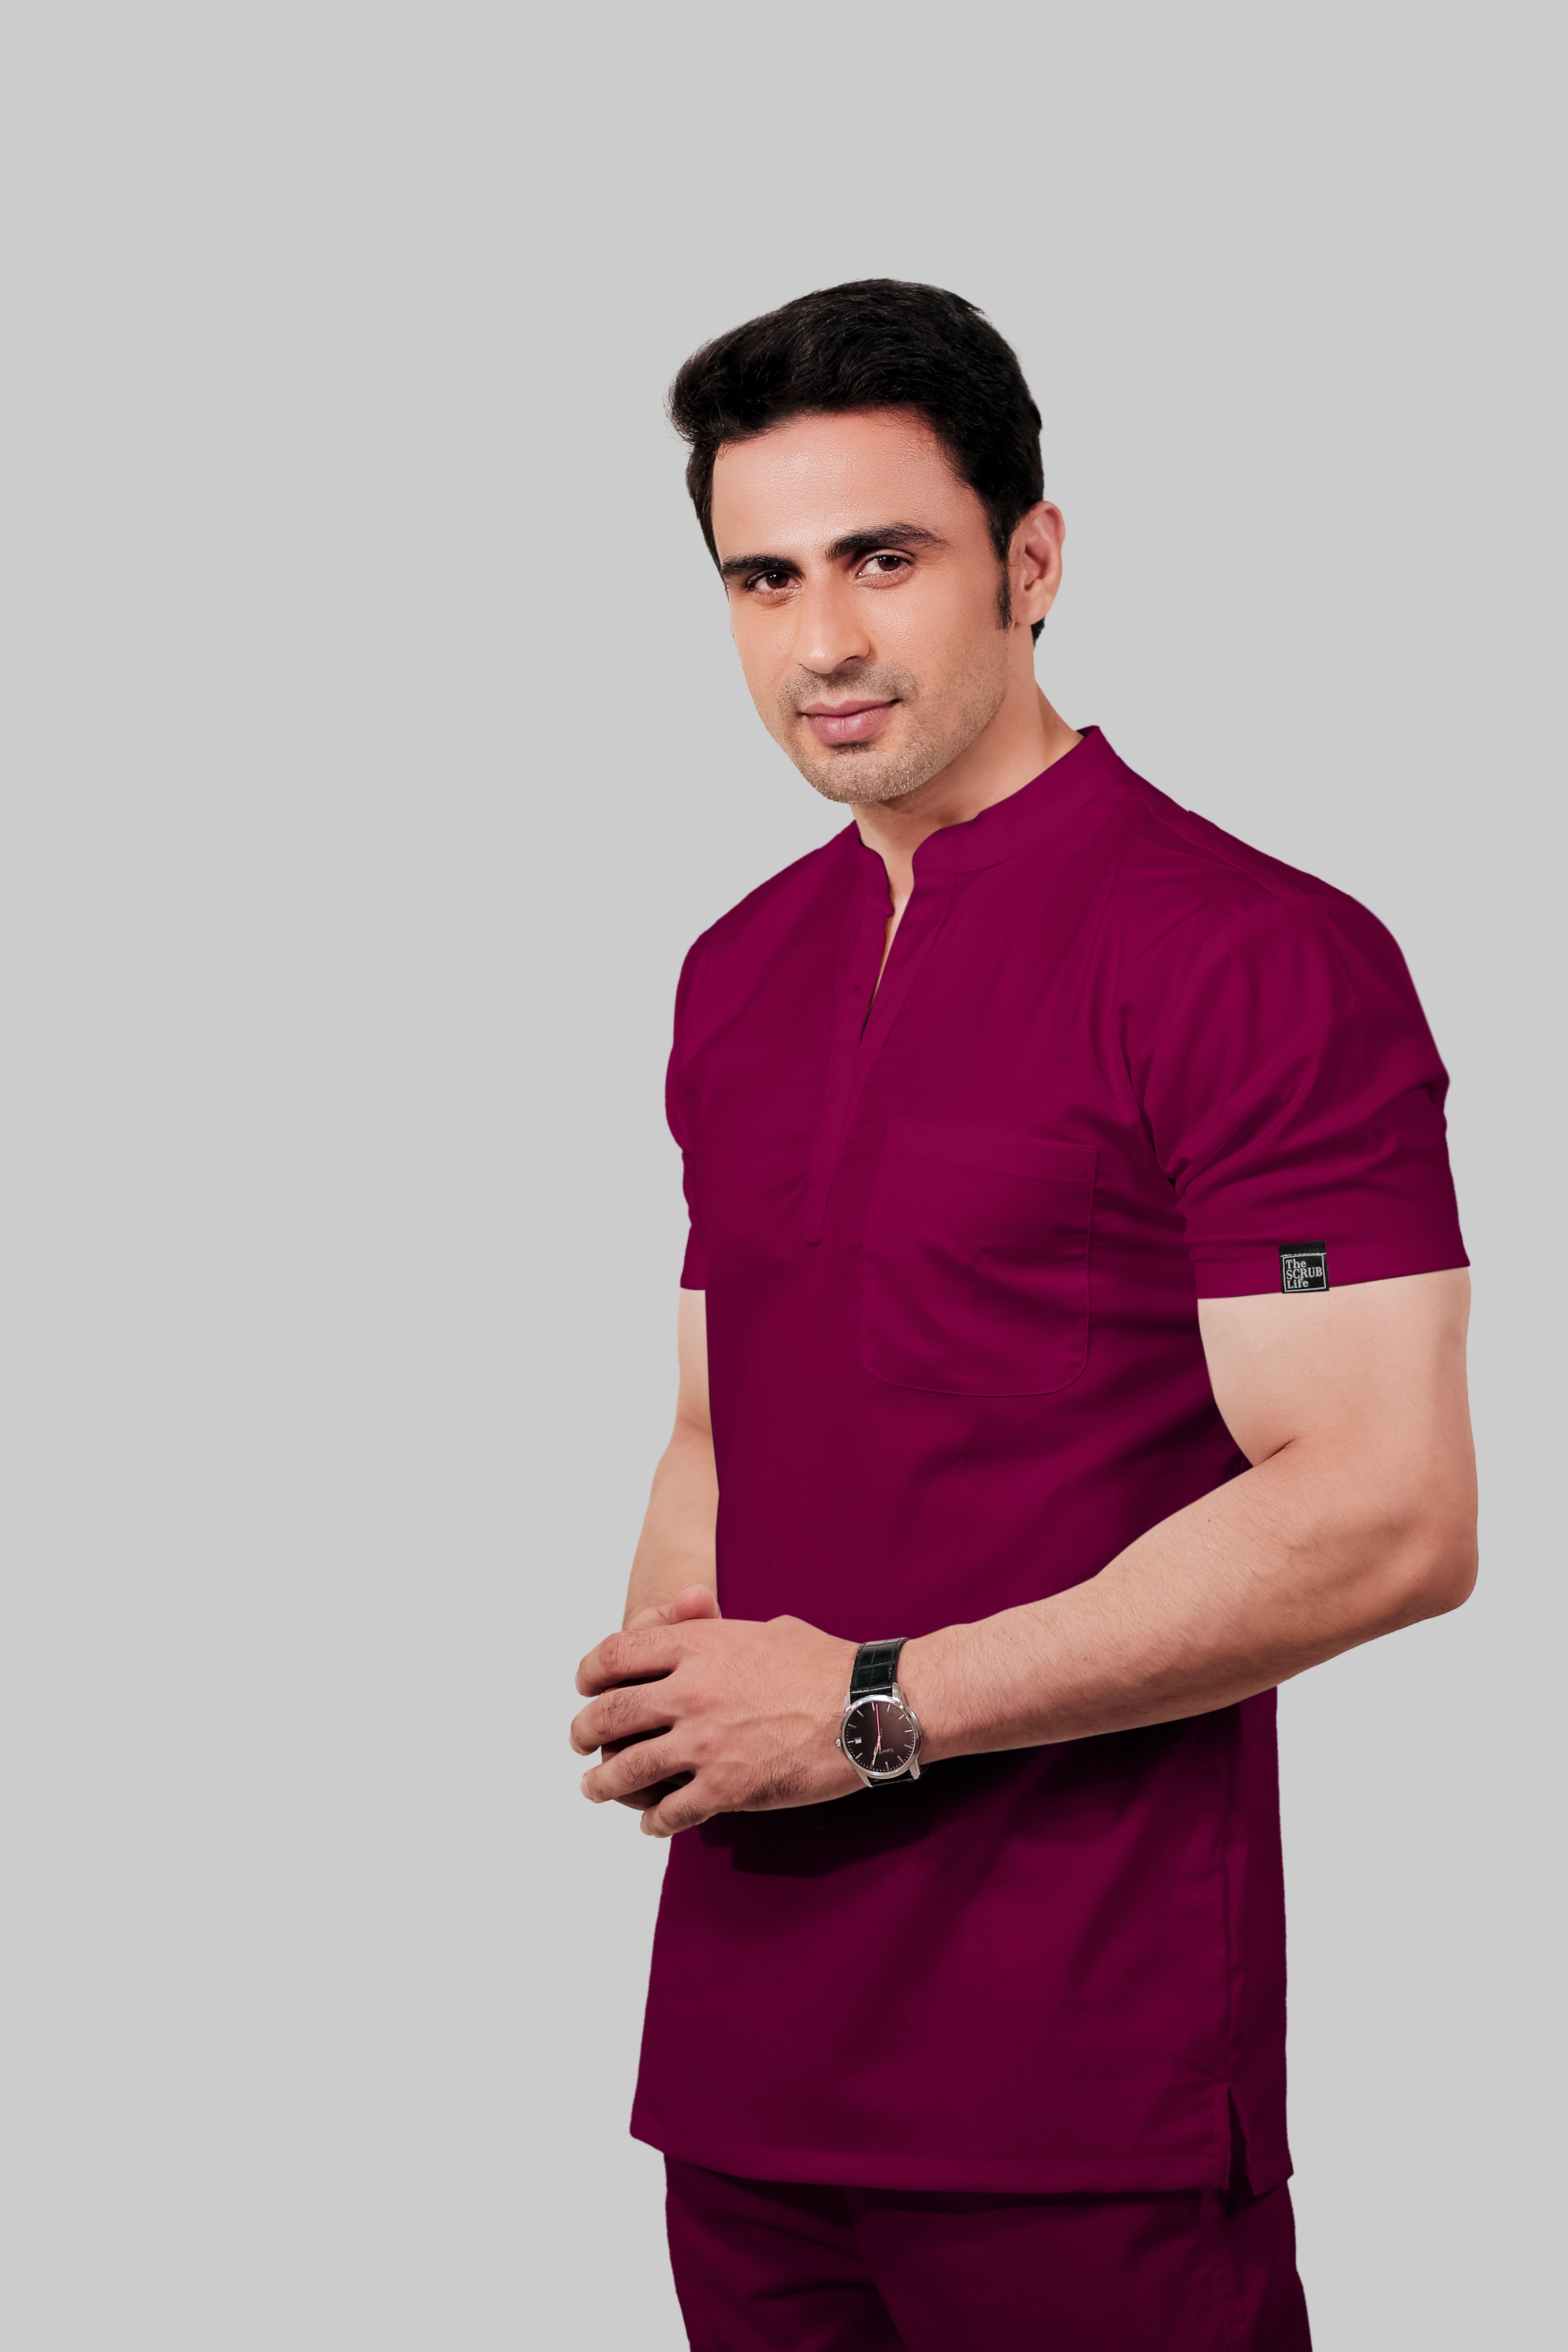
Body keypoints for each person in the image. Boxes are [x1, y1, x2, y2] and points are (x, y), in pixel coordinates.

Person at [569, 280, 1476, 2351]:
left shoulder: (1256, 959)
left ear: (1032, 560)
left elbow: (1391, 1510)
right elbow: (723, 1413)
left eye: (884, 559)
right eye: (765, 579)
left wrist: (863, 1708)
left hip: (1076, 2088)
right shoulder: (738, 969)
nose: (823, 640)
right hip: (743, 2077)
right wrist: (676, 1697)